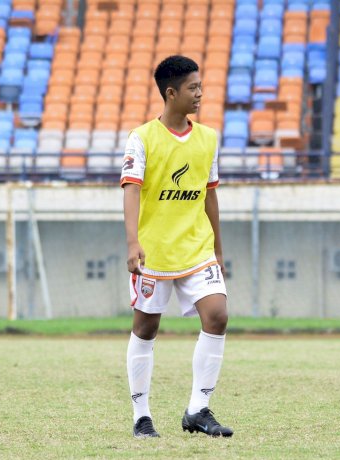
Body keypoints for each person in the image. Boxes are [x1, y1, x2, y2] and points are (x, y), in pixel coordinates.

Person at [120, 55, 233, 439]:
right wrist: (133, 241)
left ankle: (198, 409)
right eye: (193, 88)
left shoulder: (209, 138)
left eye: (201, 86)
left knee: (217, 315)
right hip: (155, 252)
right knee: (146, 328)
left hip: (197, 248)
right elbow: (131, 189)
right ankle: (141, 416)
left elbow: (210, 195)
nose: (200, 94)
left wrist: (218, 246)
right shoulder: (142, 138)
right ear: (171, 93)